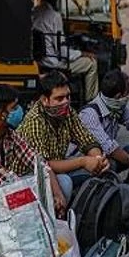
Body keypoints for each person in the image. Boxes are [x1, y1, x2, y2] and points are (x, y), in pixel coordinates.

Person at [0, 85, 68, 217]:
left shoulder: (10, 135)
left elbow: (40, 163)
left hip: (5, 192)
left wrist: (58, 195)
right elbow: (5, 179)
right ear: (1, 114)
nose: (20, 111)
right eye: (14, 108)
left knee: (63, 182)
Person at [16, 71, 108, 200]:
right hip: (31, 176)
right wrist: (83, 161)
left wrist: (98, 159)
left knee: (104, 167)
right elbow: (45, 165)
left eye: (68, 96)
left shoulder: (67, 112)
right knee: (65, 181)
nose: (65, 102)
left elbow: (86, 139)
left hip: (56, 168)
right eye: (59, 98)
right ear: (45, 100)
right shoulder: (35, 122)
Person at [72, 69, 129, 194]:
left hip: (107, 157)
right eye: (127, 92)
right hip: (86, 165)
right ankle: (119, 196)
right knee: (109, 164)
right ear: (119, 96)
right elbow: (112, 150)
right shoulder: (90, 115)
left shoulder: (118, 108)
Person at [32, 0, 99, 102]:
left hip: (39, 62)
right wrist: (82, 53)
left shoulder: (34, 12)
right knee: (92, 63)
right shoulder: (54, 16)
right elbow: (63, 52)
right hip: (54, 63)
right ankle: (91, 102)